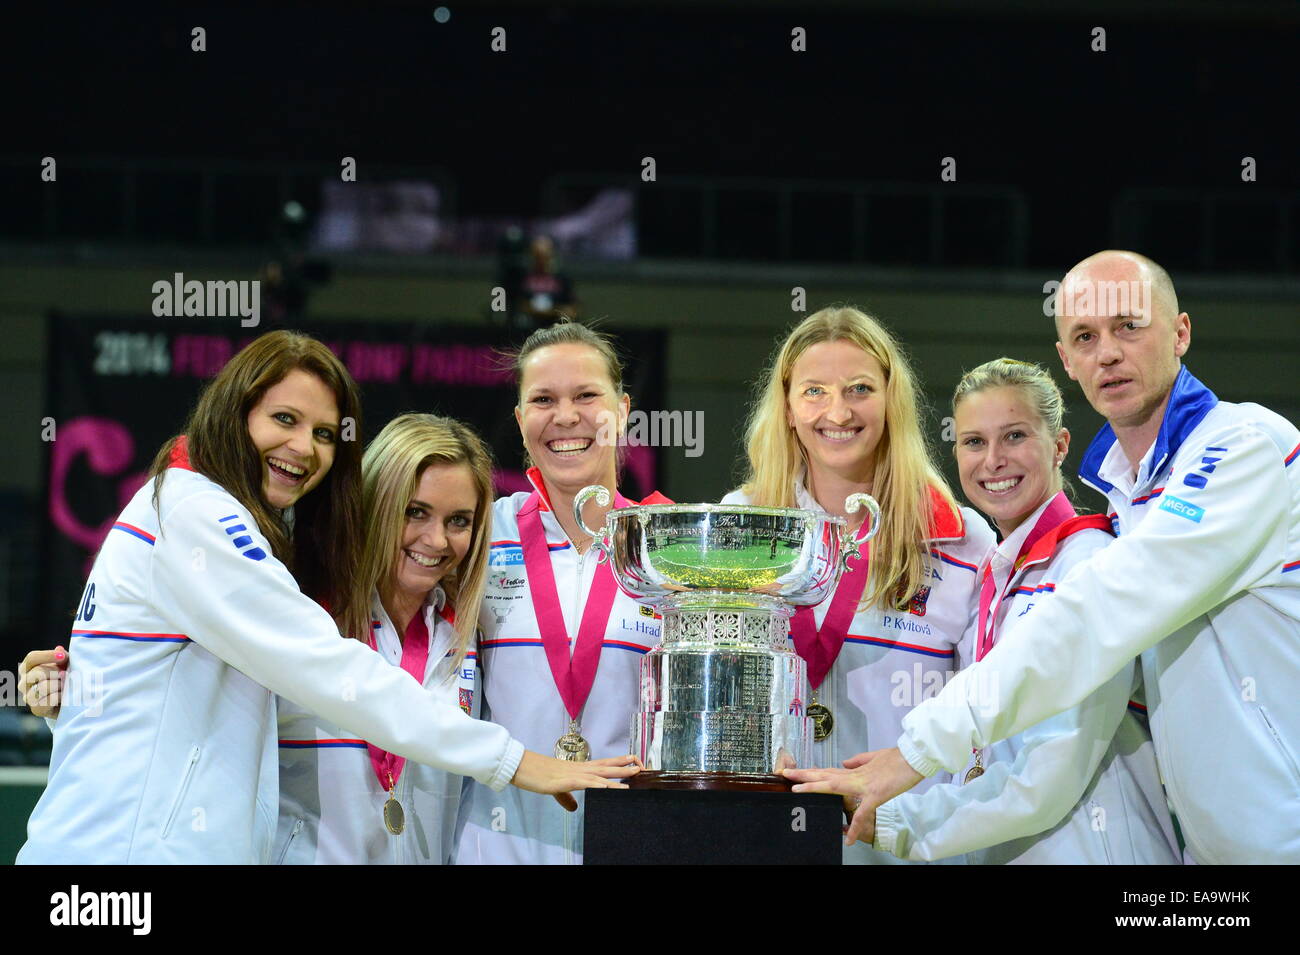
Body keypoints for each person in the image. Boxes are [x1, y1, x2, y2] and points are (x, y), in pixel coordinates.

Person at [16, 331, 636, 864]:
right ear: (235, 411)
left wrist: (78, 688)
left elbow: (171, 697)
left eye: (320, 431)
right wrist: (513, 760)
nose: (303, 447)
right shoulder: (206, 524)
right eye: (283, 419)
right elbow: (327, 666)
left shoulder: (460, 623)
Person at [786, 251, 1300, 865]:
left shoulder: (1242, 449)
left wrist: (913, 758)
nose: (1107, 352)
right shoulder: (1121, 504)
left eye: (1128, 326)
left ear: (1181, 331)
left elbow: (1094, 617)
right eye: (1086, 336)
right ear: (1066, 358)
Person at [870, 358, 1179, 863]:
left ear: (1059, 444)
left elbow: (1048, 775)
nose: (993, 460)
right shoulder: (1000, 575)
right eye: (974, 442)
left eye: (1014, 436)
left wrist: (894, 822)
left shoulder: (1090, 564)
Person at [720, 306, 995, 865]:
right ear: (789, 407)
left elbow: (985, 711)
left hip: (904, 840)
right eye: (814, 391)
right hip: (764, 836)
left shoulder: (959, 538)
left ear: (892, 402)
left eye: (860, 389)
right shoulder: (740, 523)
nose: (837, 411)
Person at [452, 320, 670, 865]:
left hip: (634, 840)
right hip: (496, 843)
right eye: (544, 399)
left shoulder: (672, 545)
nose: (566, 416)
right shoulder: (477, 534)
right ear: (521, 419)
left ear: (622, 412)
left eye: (586, 396)